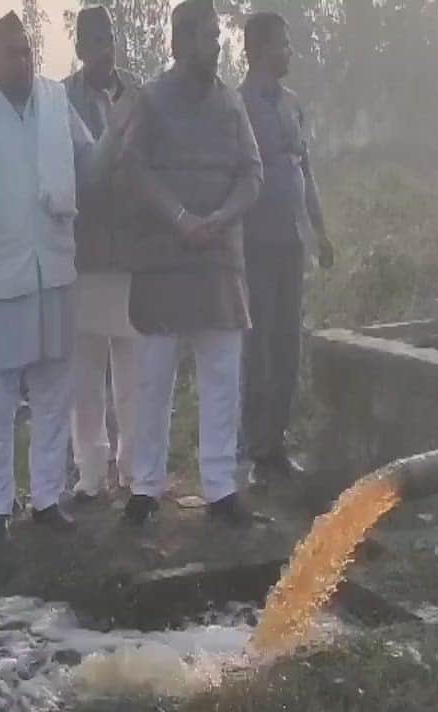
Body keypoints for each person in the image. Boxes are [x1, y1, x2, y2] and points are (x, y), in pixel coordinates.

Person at [0, 11, 125, 540]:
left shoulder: (53, 101)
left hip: (55, 268)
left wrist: (117, 130)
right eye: (11, 52)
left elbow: (89, 165)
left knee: (52, 392)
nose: (22, 60)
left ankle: (45, 497)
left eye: (27, 50)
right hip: (1, 278)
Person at [123, 0, 264, 527]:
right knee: (153, 378)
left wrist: (220, 218)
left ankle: (220, 488)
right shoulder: (152, 101)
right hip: (165, 261)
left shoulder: (231, 103)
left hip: (218, 264)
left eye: (217, 34)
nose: (217, 43)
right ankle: (145, 488)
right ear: (179, 43)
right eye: (207, 35)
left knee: (222, 376)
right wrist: (181, 218)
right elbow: (133, 168)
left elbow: (253, 174)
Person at [239, 12, 334, 485]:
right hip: (255, 243)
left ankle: (276, 443)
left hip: (292, 239)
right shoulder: (237, 106)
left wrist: (321, 231)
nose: (289, 52)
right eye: (283, 45)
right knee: (258, 347)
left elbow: (306, 170)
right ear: (259, 50)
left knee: (287, 344)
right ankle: (254, 450)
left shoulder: (293, 105)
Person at [63, 5, 142, 499]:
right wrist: (114, 133)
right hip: (86, 254)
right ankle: (91, 475)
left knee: (134, 373)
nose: (104, 49)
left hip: (133, 254)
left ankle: (135, 471)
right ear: (79, 48)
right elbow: (84, 175)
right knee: (85, 375)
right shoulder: (63, 99)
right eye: (94, 41)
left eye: (109, 38)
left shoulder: (138, 91)